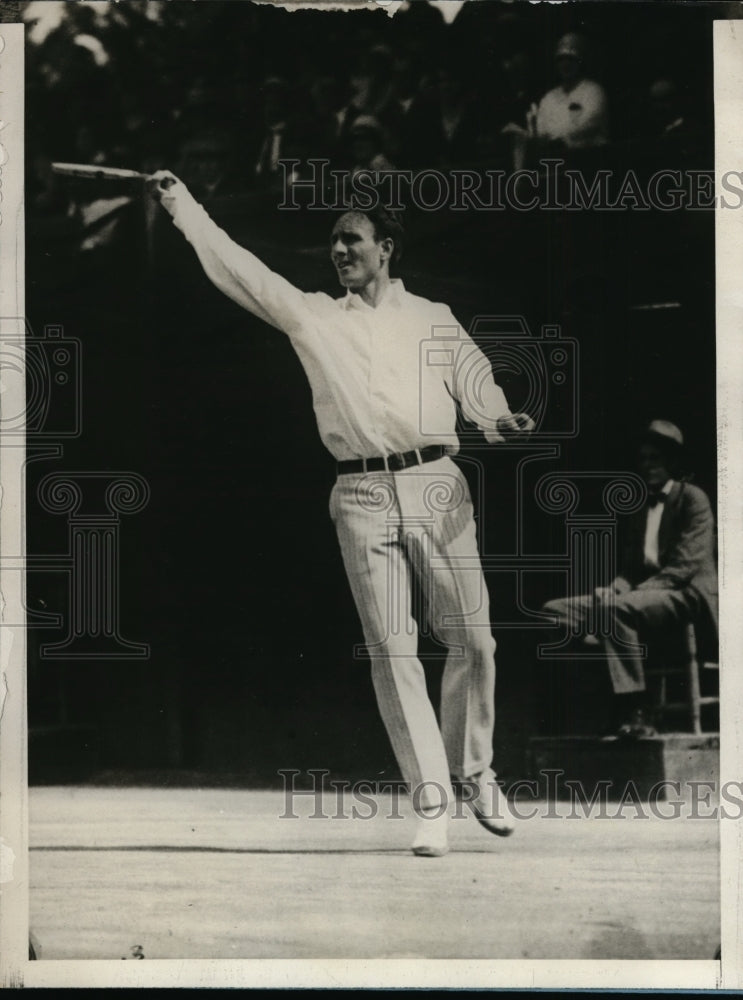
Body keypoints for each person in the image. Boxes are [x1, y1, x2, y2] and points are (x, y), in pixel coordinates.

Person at [148, 169, 535, 857]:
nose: (338, 251)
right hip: (358, 498)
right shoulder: (314, 317)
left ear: (386, 248)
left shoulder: (431, 317)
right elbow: (242, 272)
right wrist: (183, 207)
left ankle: (474, 771)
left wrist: (499, 419)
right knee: (393, 651)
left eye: (351, 240)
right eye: (332, 242)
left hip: (436, 484)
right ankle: (431, 801)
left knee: (474, 640)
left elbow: (478, 384)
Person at [542, 420, 718, 732]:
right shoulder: (639, 509)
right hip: (643, 596)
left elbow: (683, 567)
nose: (648, 466)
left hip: (687, 594)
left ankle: (634, 705)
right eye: (643, 459)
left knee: (614, 611)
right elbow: (629, 571)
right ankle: (606, 690)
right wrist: (613, 589)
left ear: (673, 462)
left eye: (656, 458)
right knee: (555, 611)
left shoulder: (693, 499)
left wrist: (624, 598)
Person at [530, 32, 609, 151]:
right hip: (556, 159)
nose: (565, 64)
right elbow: (541, 131)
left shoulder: (594, 91)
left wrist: (555, 137)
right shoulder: (549, 98)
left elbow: (588, 125)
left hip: (590, 158)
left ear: (580, 62)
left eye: (571, 59)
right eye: (561, 59)